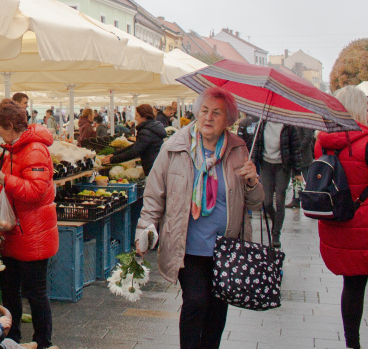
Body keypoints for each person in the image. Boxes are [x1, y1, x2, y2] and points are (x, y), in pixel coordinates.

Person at [137, 87, 262, 349]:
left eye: (217, 113)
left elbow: (255, 203)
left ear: (228, 119)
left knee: (218, 307)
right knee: (196, 301)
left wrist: (252, 181)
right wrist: (145, 228)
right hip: (188, 245)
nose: (208, 117)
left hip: (226, 247)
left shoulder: (239, 150)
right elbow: (154, 194)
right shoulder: (174, 148)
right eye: (204, 111)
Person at [0, 99, 58, 349]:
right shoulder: (13, 148)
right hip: (13, 231)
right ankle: (12, 339)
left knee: (35, 293)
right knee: (10, 289)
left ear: (10, 125)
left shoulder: (34, 149)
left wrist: (5, 179)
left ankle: (43, 342)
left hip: (33, 234)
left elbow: (36, 191)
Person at [314, 86, 368, 349]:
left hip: (339, 224)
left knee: (353, 286)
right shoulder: (366, 143)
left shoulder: (322, 143)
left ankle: (352, 343)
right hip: (365, 225)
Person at [242, 116, 304, 247]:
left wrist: (297, 172)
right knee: (267, 201)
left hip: (283, 166)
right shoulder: (262, 124)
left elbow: (295, 149)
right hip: (266, 164)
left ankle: (276, 234)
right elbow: (257, 144)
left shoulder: (289, 126)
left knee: (280, 199)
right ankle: (276, 221)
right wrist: (252, 163)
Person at [101, 104, 167, 175]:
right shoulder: (152, 128)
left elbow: (134, 152)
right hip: (156, 165)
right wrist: (114, 154)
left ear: (144, 118)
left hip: (153, 168)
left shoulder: (146, 131)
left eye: (137, 116)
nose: (135, 118)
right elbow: (135, 146)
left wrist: (112, 159)